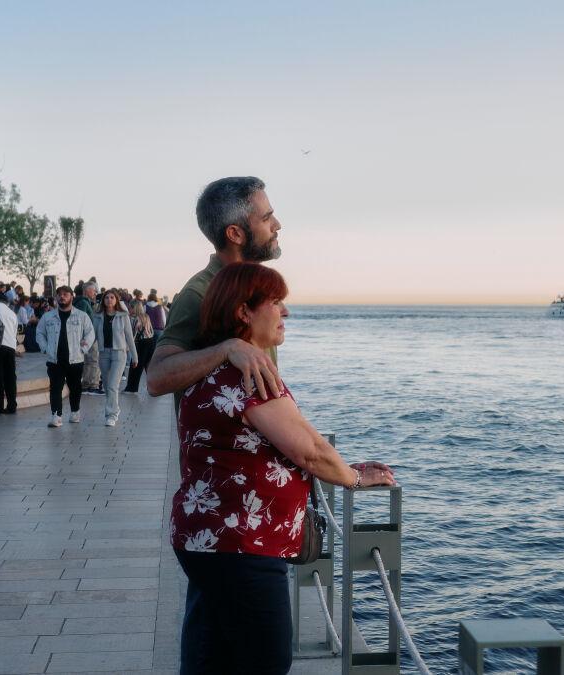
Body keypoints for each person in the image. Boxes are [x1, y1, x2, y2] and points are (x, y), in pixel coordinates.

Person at [172, 262, 395, 674]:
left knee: (211, 657)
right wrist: (355, 478)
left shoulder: (211, 371)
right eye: (276, 302)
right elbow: (309, 450)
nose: (285, 312)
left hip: (206, 539)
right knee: (266, 660)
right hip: (242, 546)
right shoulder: (249, 374)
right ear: (244, 312)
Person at [146, 176, 283, 405]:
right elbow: (156, 378)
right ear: (235, 234)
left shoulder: (255, 286)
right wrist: (227, 349)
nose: (277, 225)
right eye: (267, 218)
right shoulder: (200, 293)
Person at [36, 285, 95, 428]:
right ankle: (56, 415)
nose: (62, 297)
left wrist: (84, 348)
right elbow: (40, 333)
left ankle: (75, 411)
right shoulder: (48, 316)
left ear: (71, 297)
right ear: (56, 298)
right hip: (55, 359)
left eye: (65, 294)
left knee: (75, 387)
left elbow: (90, 333)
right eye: (59, 294)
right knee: (55, 388)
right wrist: (45, 349)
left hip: (75, 359)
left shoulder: (81, 316)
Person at [91, 289, 137, 427]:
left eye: (112, 297)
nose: (109, 300)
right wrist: (82, 349)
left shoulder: (123, 316)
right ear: (103, 300)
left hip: (119, 354)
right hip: (103, 353)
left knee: (112, 385)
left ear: (116, 300)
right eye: (106, 298)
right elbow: (92, 335)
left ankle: (111, 415)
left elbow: (129, 336)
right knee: (106, 386)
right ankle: (114, 408)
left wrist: (135, 356)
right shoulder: (98, 316)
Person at [74, 281, 103, 395]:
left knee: (89, 361)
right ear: (86, 291)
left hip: (87, 336)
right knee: (93, 360)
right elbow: (82, 321)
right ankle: (92, 385)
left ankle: (87, 385)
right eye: (94, 290)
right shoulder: (83, 303)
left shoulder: (84, 302)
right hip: (88, 337)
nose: (96, 292)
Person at [124, 300, 154, 394]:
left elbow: (132, 334)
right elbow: (151, 331)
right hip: (150, 342)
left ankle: (131, 388)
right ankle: (152, 388)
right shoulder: (146, 316)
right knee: (147, 366)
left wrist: (128, 346)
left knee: (136, 365)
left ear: (134, 308)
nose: (129, 309)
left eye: (130, 307)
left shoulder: (135, 318)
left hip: (140, 343)